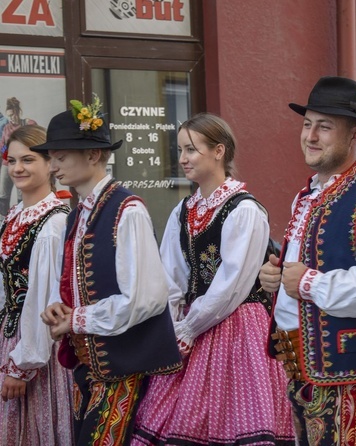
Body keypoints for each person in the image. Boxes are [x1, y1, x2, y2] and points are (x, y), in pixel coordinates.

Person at [259, 76, 356, 446]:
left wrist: (307, 283)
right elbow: (307, 265)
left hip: (349, 367)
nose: (310, 136)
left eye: (324, 127)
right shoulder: (309, 193)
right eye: (307, 124)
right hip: (302, 361)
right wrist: (276, 279)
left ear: (354, 135)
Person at [131, 112, 294, 445]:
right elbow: (171, 275)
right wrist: (174, 323)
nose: (182, 158)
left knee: (231, 418)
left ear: (219, 151)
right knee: (173, 414)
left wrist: (190, 327)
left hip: (237, 327)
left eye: (191, 149)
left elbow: (232, 284)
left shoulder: (244, 210)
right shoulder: (183, 210)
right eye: (180, 149)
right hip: (192, 324)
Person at [35, 100, 183, 446]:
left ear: (93, 155)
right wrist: (60, 308)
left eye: (61, 155)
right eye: (52, 156)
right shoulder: (77, 215)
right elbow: (79, 284)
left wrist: (77, 320)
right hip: (89, 368)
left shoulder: (126, 211)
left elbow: (145, 299)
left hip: (123, 367)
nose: (53, 165)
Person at [0, 125, 73, 445]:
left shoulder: (54, 221)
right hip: (9, 337)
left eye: (28, 159)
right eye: (12, 160)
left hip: (38, 345)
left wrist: (22, 365)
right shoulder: (14, 216)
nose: (17, 168)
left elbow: (46, 298)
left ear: (49, 164)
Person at [0, 98, 37, 218]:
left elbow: (37, 142)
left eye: (13, 115)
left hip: (24, 163)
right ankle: (3, 221)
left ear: (17, 111)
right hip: (7, 163)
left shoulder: (28, 124)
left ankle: (23, 219)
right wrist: (6, 152)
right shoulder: (6, 128)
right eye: (9, 116)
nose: (11, 118)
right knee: (2, 194)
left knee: (22, 194)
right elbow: (2, 146)